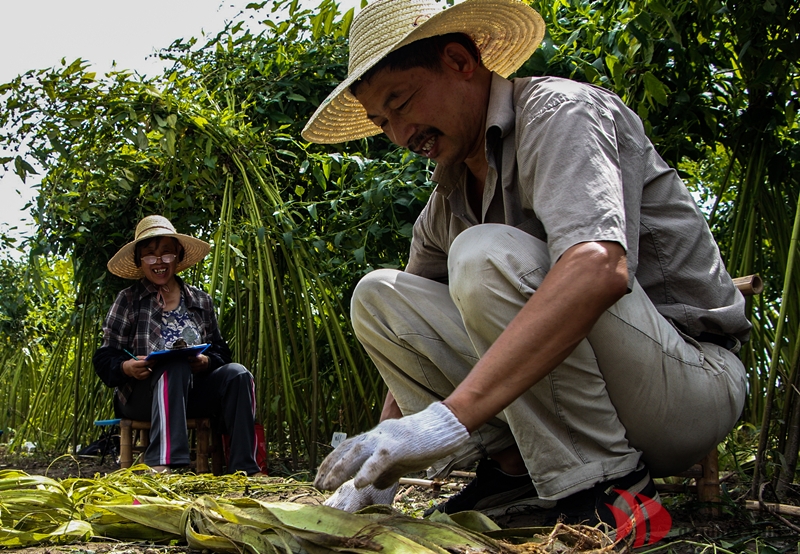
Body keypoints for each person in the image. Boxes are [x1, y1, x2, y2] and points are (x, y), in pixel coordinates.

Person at [301, 0, 751, 528]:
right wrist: (378, 475)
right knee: (379, 296)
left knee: (484, 254)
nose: (400, 135)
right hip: (588, 402)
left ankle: (609, 484)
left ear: (459, 61)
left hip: (685, 386)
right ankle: (513, 470)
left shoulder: (561, 115)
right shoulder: (446, 198)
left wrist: (448, 421)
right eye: (382, 122)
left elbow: (598, 268)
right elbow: (408, 331)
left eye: (401, 103)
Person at [93, 215, 263, 476]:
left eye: (166, 254)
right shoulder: (128, 300)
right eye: (150, 255)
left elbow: (220, 350)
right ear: (140, 261)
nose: (159, 262)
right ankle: (163, 464)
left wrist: (206, 362)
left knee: (238, 374)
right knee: (173, 366)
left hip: (193, 394)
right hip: (142, 395)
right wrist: (127, 367)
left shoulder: (200, 300)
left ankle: (245, 469)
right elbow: (105, 357)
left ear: (178, 256)